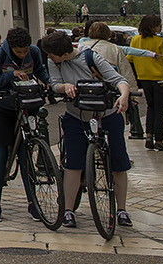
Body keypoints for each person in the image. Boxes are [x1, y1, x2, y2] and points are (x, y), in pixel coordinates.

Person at [39, 30, 133, 229]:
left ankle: (121, 209)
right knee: (73, 163)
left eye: (51, 54)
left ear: (63, 53)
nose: (48, 57)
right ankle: (68, 211)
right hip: (77, 115)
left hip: (105, 114)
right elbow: (54, 84)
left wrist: (123, 97)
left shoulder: (90, 56)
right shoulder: (54, 62)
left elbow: (119, 80)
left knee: (118, 161)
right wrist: (64, 87)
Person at [0, 26, 49, 222]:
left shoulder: (34, 52)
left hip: (25, 106)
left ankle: (32, 203)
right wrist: (12, 74)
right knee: (0, 154)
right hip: (1, 106)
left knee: (25, 155)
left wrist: (48, 83)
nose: (23, 54)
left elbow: (40, 71)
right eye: (19, 52)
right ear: (10, 47)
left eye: (25, 50)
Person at [131, 14, 163, 152]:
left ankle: (149, 135)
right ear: (153, 27)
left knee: (150, 106)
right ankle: (159, 139)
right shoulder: (159, 41)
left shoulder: (135, 39)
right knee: (160, 109)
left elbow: (131, 57)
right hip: (159, 77)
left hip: (144, 77)